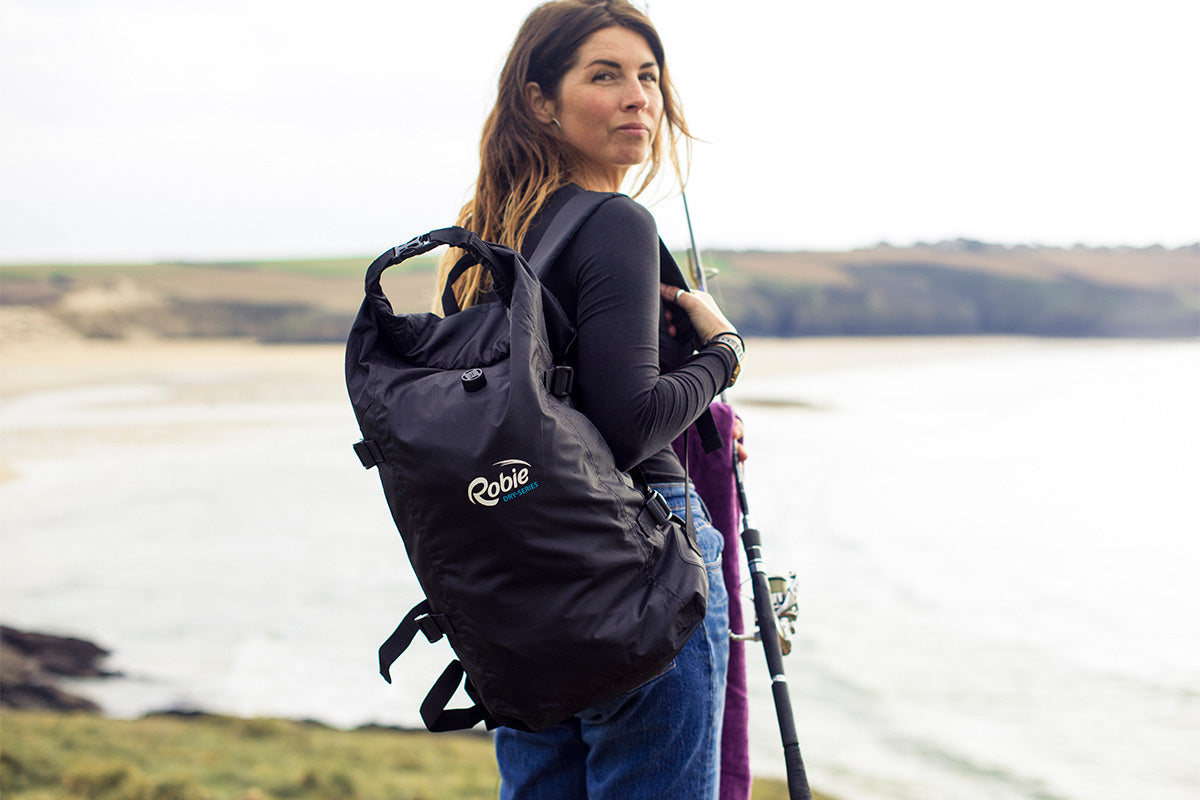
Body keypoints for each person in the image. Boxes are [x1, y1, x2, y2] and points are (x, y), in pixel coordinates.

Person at [432, 2, 745, 797]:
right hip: (639, 572)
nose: (639, 96)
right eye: (604, 75)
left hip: (521, 585)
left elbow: (549, 416)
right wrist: (721, 356)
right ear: (540, 101)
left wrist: (697, 417)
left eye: (648, 75)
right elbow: (627, 421)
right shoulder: (615, 223)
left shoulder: (486, 241)